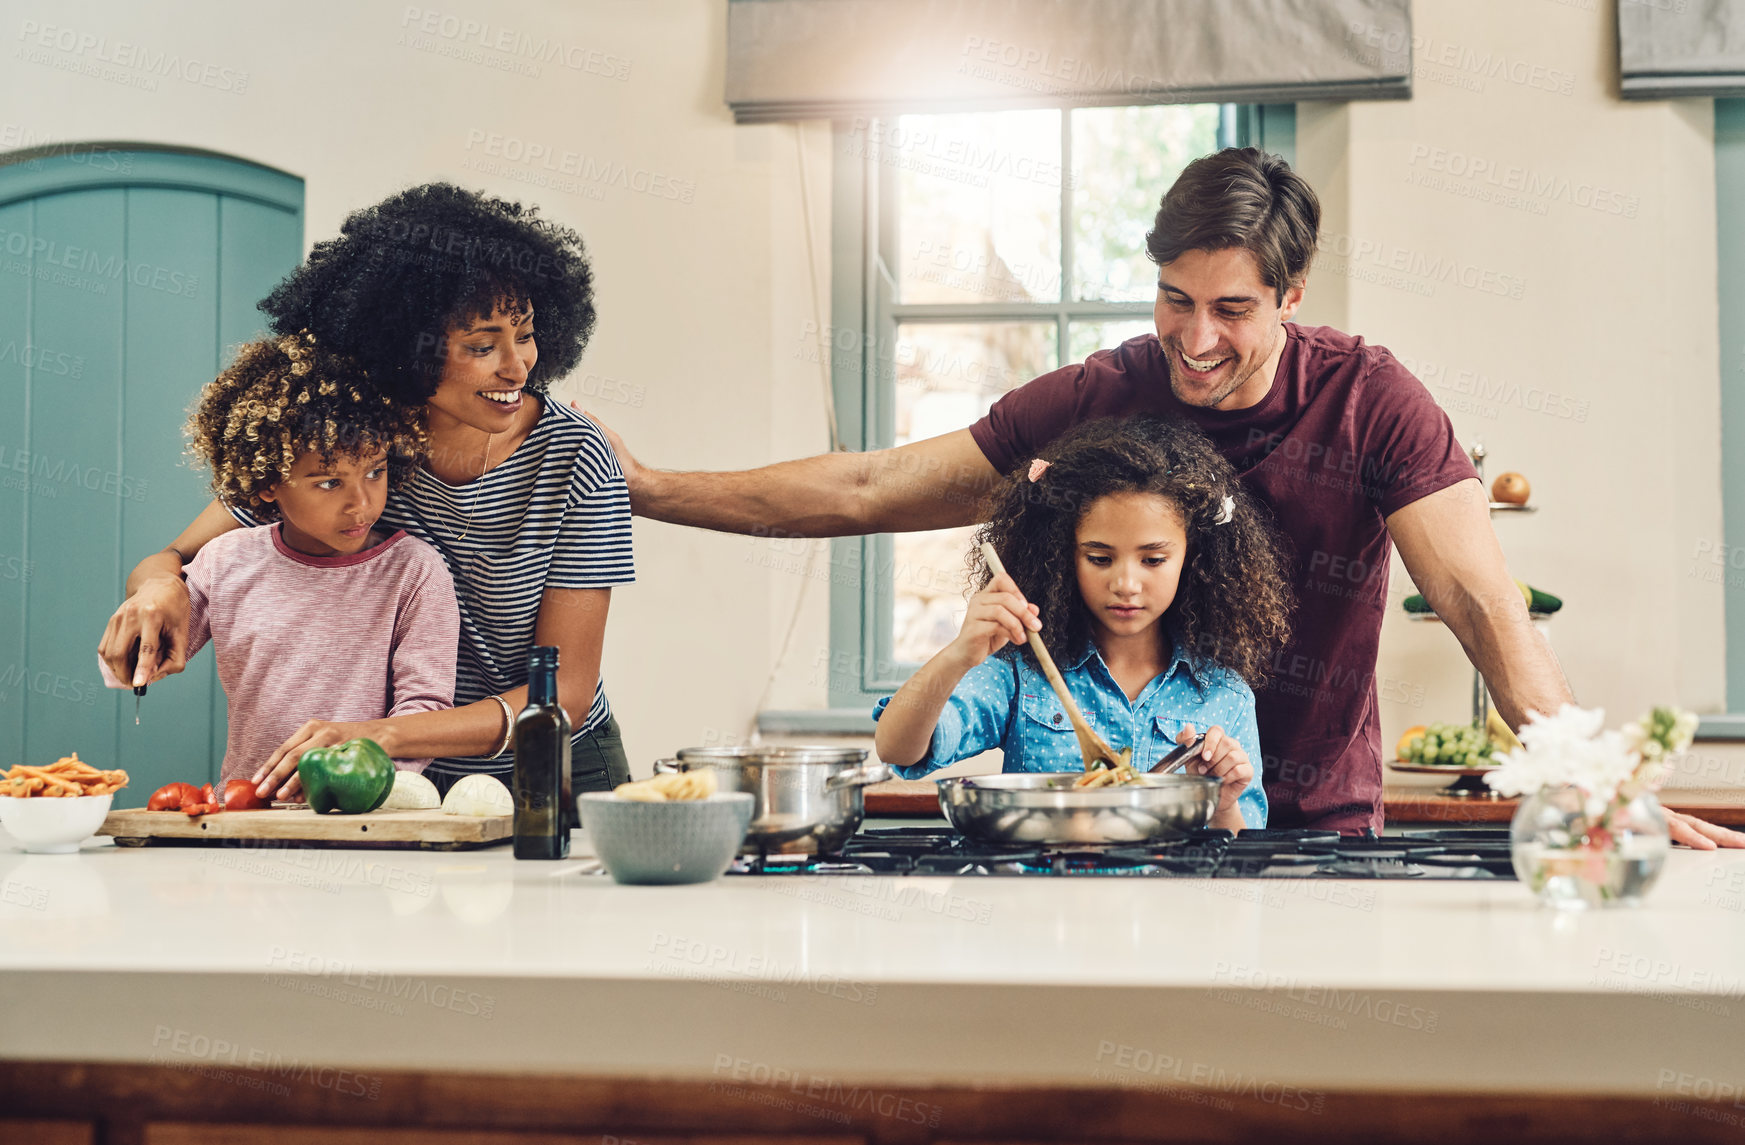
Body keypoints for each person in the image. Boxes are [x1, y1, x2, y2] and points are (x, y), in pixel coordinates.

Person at [594, 148, 1745, 846]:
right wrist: (643, 486)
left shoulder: (1372, 399)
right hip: (1127, 832)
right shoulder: (1108, 392)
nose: (1195, 339)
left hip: (1317, 821)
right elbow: (866, 485)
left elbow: (1485, 608)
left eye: (1232, 309)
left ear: (1290, 291)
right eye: (1171, 298)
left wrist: (1602, 790)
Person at [98, 183, 635, 800]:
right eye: (483, 346)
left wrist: (382, 736)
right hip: (382, 780)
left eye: (527, 334)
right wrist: (160, 587)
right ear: (407, 345)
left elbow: (563, 690)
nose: (518, 367)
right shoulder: (354, 436)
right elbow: (176, 559)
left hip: (549, 766)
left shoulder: (575, 457)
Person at [873, 417, 1293, 832]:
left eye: (1153, 560)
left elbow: (1241, 854)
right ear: (1061, 556)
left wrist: (1221, 807)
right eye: (1099, 558)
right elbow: (899, 749)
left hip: (1168, 901)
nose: (1126, 584)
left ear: (1193, 558)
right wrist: (958, 655)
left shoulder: (1224, 694)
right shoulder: (1020, 676)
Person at [97, 333, 458, 784]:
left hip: (364, 816)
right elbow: (137, 658)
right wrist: (139, 636)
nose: (360, 503)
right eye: (329, 482)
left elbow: (424, 708)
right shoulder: (226, 562)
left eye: (375, 472)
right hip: (248, 816)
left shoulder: (414, 572)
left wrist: (355, 780)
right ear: (267, 484)